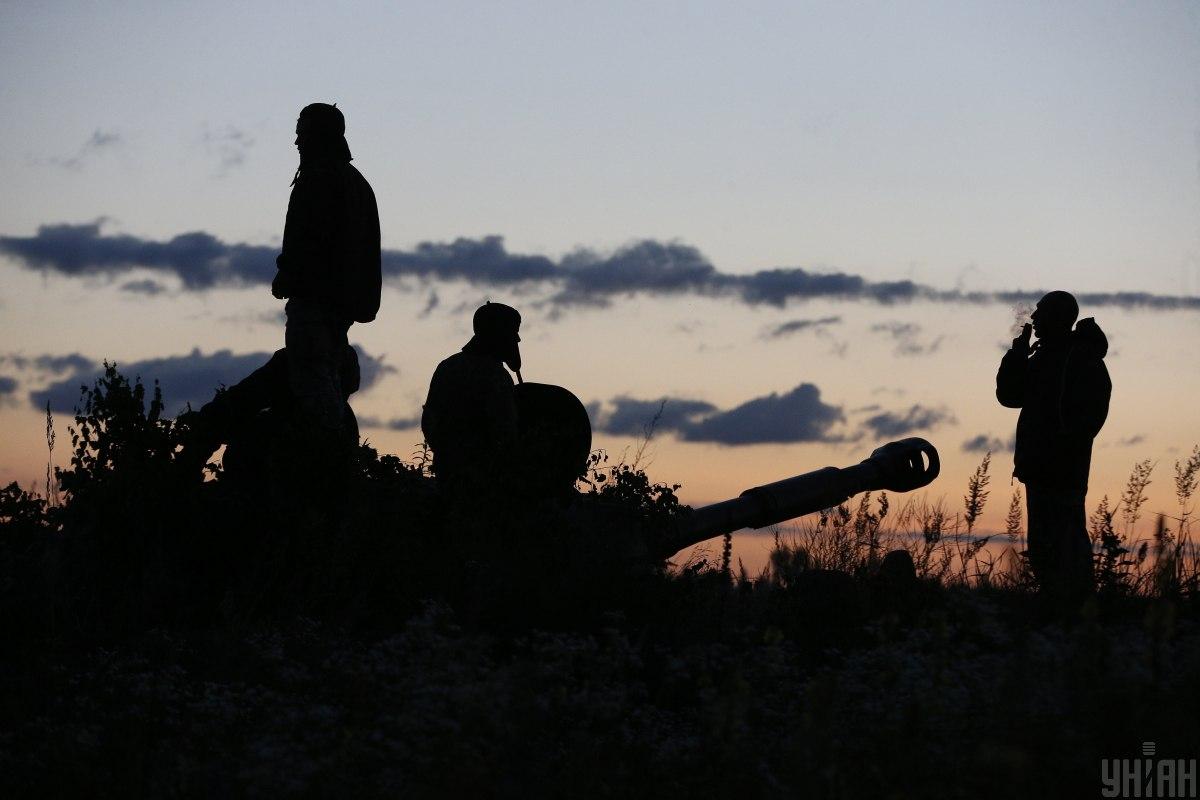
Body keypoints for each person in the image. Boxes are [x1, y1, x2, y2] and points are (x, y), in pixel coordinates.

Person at [271, 102, 381, 443]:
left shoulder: (319, 179)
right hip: (340, 307)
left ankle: (326, 461)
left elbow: (310, 241)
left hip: (316, 304)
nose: (297, 142)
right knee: (325, 381)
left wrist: (287, 276)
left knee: (314, 387)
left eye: (302, 134)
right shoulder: (355, 182)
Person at [996, 291, 1111, 602]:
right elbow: (1009, 396)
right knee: (1045, 545)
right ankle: (1056, 604)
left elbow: (1090, 414)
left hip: (1061, 467)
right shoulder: (1043, 356)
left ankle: (1078, 609)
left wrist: (1064, 443)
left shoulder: (1079, 358)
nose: (1033, 318)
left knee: (1066, 542)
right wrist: (1017, 355)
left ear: (1058, 317)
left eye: (1041, 312)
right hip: (1040, 466)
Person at [421, 302, 522, 495]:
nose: (516, 340)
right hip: (484, 483)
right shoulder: (496, 376)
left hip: (447, 474)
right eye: (512, 334)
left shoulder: (447, 367)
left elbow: (430, 420)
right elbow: (506, 431)